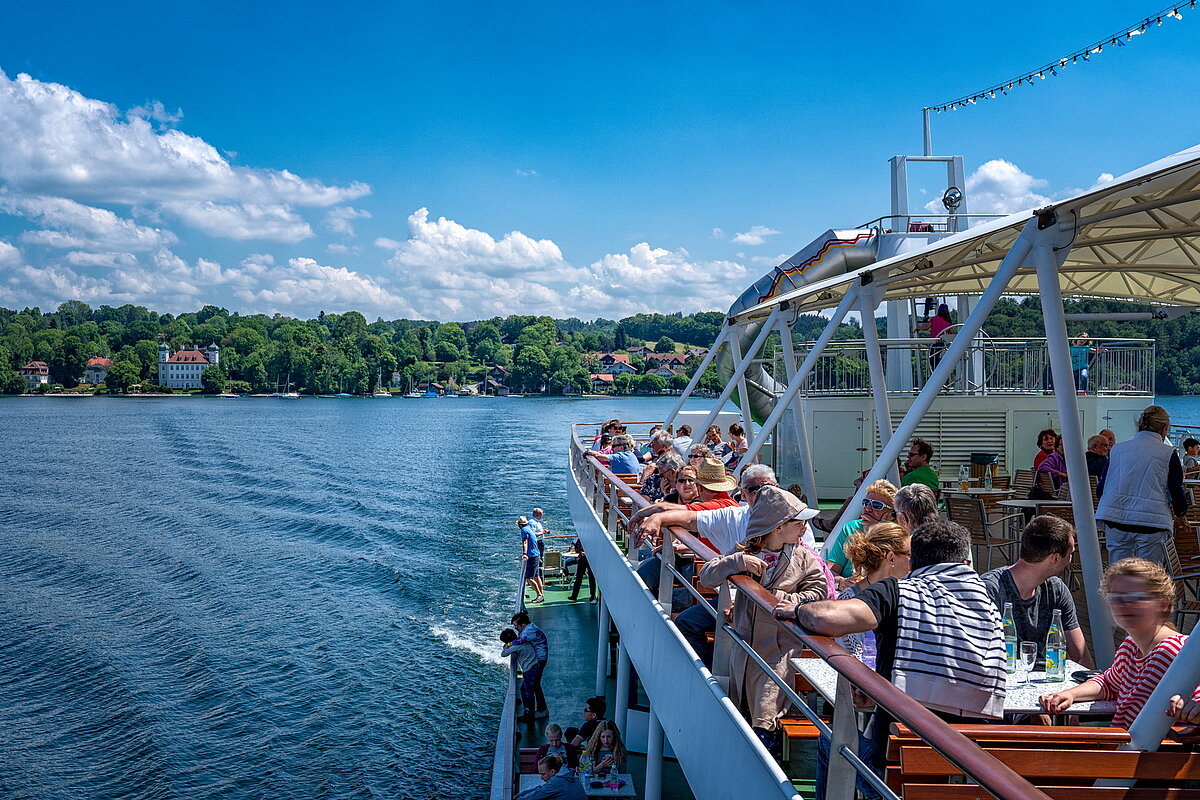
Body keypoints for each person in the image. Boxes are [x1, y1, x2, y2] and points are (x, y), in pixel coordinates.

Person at [776, 520, 1006, 772]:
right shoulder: (988, 602)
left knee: (829, 743)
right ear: (964, 564)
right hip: (973, 765)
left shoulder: (900, 591)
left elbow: (826, 619)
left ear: (915, 561)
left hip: (899, 763)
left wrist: (798, 610)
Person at [636, 465, 822, 666]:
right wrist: (657, 518)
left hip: (776, 620)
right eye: (754, 489)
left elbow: (816, 588)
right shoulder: (741, 534)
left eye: (768, 488)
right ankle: (712, 677)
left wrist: (768, 601)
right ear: (743, 494)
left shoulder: (800, 540)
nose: (763, 494)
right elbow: (690, 521)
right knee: (687, 622)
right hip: (741, 607)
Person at [699, 487, 829, 750]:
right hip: (744, 645)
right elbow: (707, 577)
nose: (804, 528)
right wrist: (735, 563)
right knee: (742, 706)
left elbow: (818, 590)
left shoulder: (803, 557)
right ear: (778, 527)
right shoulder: (746, 552)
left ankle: (764, 755)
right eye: (798, 522)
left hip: (779, 649)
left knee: (766, 709)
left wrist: (779, 599)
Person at [1040, 558, 1200, 728]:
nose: (1124, 605)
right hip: (1124, 745)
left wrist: (1193, 711)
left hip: (1155, 751)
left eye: (1136, 598)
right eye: (1116, 598)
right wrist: (1070, 695)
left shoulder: (1175, 652)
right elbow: (1109, 683)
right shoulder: (1130, 647)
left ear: (1163, 604)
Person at [980, 515, 1093, 666]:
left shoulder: (1056, 589)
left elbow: (1080, 657)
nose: (1071, 559)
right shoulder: (990, 590)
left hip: (1046, 682)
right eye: (1071, 553)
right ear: (1056, 559)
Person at [634, 458, 738, 611]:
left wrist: (645, 515)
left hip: (715, 579)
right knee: (653, 584)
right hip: (711, 571)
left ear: (700, 487)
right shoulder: (729, 504)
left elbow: (668, 510)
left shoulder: (715, 507)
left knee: (658, 599)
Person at [1096, 405, 1188, 569]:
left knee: (1118, 576)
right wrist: (1181, 514)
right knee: (1148, 578)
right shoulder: (1168, 453)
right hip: (1151, 522)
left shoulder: (1117, 450)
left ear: (1139, 425)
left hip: (1115, 519)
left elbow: (1101, 489)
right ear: (1163, 429)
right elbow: (1176, 490)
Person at [835, 522, 911, 668]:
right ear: (891, 558)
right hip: (862, 685)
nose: (912, 560)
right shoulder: (849, 600)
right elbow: (851, 659)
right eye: (908, 554)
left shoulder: (909, 593)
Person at [824, 480, 898, 579]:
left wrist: (878, 529)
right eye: (866, 502)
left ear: (891, 514)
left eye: (876, 505)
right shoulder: (851, 528)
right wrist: (841, 582)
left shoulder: (899, 536)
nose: (868, 508)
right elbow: (832, 570)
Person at [501, 628, 543, 724]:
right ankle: (528, 711)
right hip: (534, 667)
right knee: (524, 690)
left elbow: (503, 654)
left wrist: (506, 646)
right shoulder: (521, 641)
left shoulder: (516, 646)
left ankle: (529, 715)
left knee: (528, 692)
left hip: (530, 670)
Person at [512, 610, 549, 719]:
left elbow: (519, 641)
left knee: (528, 688)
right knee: (535, 686)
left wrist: (508, 644)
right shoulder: (531, 627)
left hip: (538, 662)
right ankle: (542, 710)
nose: (515, 628)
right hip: (541, 659)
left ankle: (530, 714)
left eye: (516, 626)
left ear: (522, 624)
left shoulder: (527, 632)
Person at [516, 755, 586, 800]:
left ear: (552, 771)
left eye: (543, 774)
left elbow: (537, 794)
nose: (541, 778)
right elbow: (540, 788)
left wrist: (518, 799)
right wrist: (519, 795)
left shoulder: (558, 781)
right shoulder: (566, 775)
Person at [519, 516, 544, 603]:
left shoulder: (523, 530)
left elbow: (525, 542)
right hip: (537, 555)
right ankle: (541, 594)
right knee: (536, 576)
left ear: (520, 525)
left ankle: (539, 595)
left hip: (532, 556)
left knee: (528, 578)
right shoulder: (529, 528)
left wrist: (525, 554)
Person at [566, 532, 595, 603]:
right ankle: (574, 595)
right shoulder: (580, 539)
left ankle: (592, 596)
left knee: (591, 578)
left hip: (590, 559)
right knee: (579, 577)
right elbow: (576, 548)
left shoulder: (592, 539)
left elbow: (595, 549)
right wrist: (580, 552)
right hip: (582, 559)